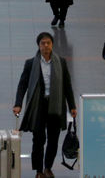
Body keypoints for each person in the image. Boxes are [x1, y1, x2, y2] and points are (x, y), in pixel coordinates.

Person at [13, 32, 77, 178]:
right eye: (43, 43)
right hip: (38, 105)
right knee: (38, 140)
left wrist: (72, 106)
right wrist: (18, 104)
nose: (46, 46)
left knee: (53, 139)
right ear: (38, 45)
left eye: (48, 43)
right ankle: (39, 170)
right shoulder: (31, 63)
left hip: (55, 105)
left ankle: (48, 167)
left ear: (52, 44)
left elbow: (67, 85)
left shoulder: (60, 62)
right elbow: (22, 84)